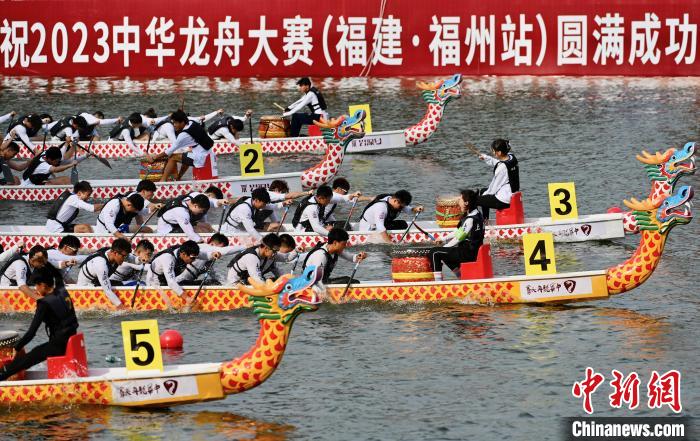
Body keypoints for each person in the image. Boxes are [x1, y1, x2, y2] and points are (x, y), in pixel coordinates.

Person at [0, 267, 79, 382]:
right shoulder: (62, 290)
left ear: (43, 285)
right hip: (72, 338)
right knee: (37, 351)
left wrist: (17, 347)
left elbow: (31, 333)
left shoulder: (44, 303)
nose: (35, 289)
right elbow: (57, 274)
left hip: (59, 345)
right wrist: (44, 266)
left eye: (36, 285)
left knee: (27, 359)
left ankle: (2, 376)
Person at [428, 189, 485, 281]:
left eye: (460, 200)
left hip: (468, 253)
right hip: (472, 251)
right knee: (445, 254)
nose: (458, 203)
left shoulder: (470, 220)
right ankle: (461, 277)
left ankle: (438, 283)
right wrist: (443, 239)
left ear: (466, 203)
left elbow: (459, 238)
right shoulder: (478, 214)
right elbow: (459, 231)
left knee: (434, 252)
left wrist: (445, 247)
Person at [145, 110, 215, 182]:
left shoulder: (183, 135)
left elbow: (170, 150)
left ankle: (162, 180)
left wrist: (154, 157)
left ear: (182, 122)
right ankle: (178, 177)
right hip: (209, 154)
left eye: (176, 123)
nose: (174, 125)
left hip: (201, 158)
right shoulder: (192, 122)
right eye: (173, 123)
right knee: (185, 156)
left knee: (173, 157)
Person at [301, 227, 367, 288]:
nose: (345, 246)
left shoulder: (334, 249)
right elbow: (315, 280)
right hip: (309, 284)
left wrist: (360, 256)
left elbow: (353, 258)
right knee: (349, 281)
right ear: (335, 243)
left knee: (350, 280)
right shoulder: (321, 255)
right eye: (343, 244)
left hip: (321, 281)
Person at [76, 238, 131, 308]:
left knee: (135, 283)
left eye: (125, 256)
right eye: (123, 256)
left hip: (98, 283)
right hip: (86, 289)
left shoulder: (111, 251)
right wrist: (122, 307)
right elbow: (107, 290)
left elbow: (131, 258)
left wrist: (139, 259)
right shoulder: (101, 264)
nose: (124, 259)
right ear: (114, 253)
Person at [474, 139, 520, 219]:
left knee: (474, 200)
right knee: (483, 191)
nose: (492, 152)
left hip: (504, 200)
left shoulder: (502, 168)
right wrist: (485, 157)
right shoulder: (512, 157)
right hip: (512, 194)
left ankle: (477, 223)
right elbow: (499, 163)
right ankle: (485, 220)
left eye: (493, 151)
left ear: (499, 152)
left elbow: (494, 187)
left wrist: (482, 197)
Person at [145, 240, 201, 305]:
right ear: (184, 254)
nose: (194, 260)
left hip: (166, 280)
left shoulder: (183, 250)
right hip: (155, 284)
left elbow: (201, 254)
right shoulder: (168, 259)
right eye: (193, 258)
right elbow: (171, 282)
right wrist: (187, 298)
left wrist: (212, 254)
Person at [357, 190, 424, 243]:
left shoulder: (397, 201)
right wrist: (390, 243)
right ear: (395, 201)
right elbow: (380, 226)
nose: (401, 209)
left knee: (403, 224)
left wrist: (416, 209)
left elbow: (409, 210)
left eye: (403, 207)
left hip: (380, 224)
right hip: (368, 228)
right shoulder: (381, 207)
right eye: (401, 207)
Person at [178, 234, 243, 285]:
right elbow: (224, 251)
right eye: (219, 248)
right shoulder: (205, 247)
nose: (220, 254)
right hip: (179, 282)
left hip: (185, 281)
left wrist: (224, 283)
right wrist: (245, 247)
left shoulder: (207, 257)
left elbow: (211, 273)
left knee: (214, 282)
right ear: (212, 244)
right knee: (211, 282)